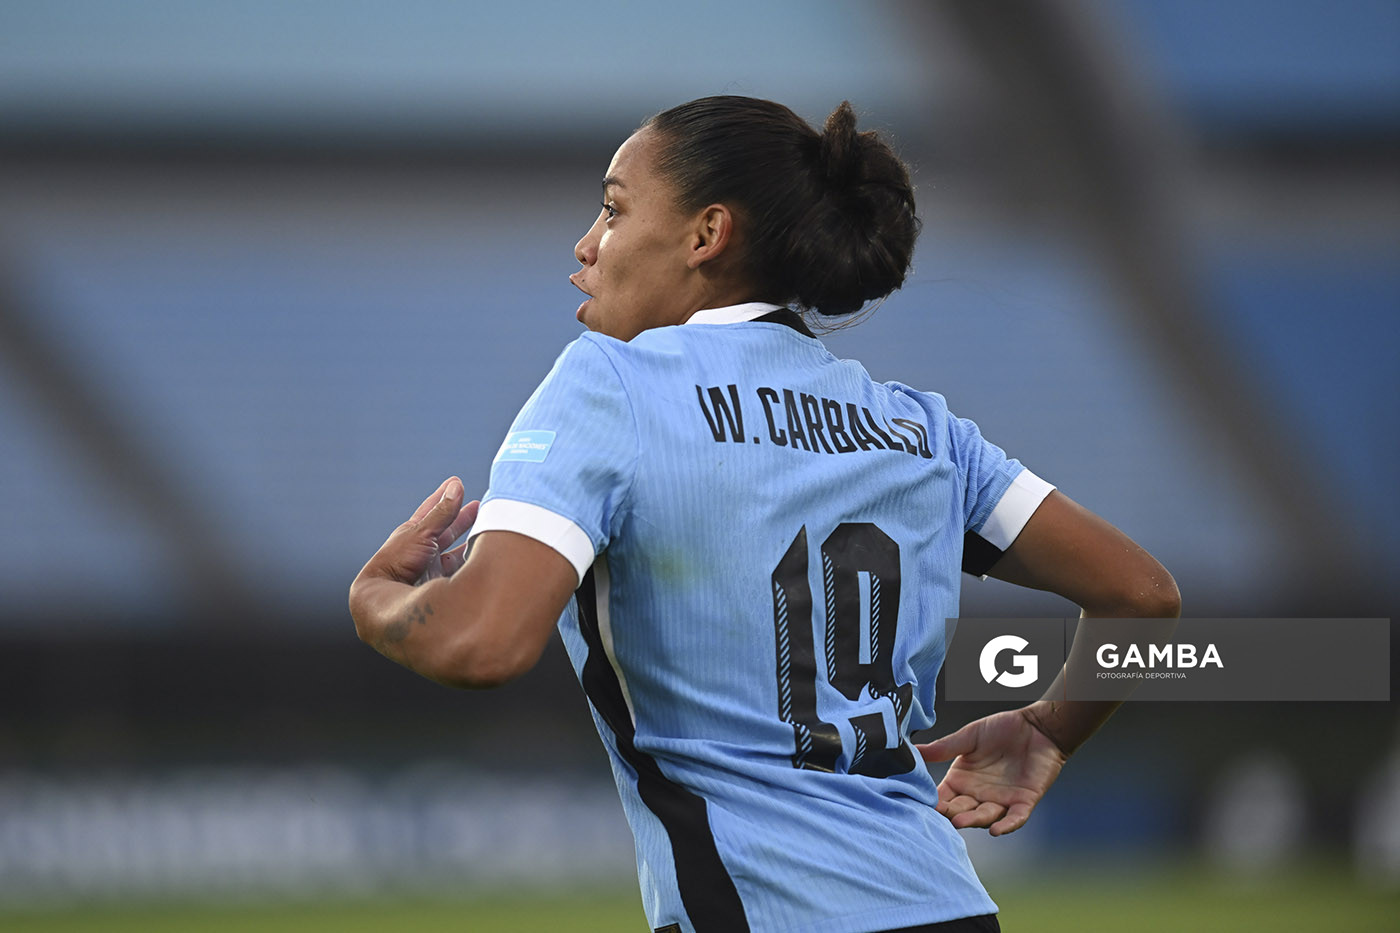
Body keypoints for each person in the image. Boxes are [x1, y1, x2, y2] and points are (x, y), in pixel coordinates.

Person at [349, 96, 1180, 933]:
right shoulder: (919, 429)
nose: (586, 243)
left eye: (612, 207)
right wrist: (1048, 730)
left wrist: (377, 595)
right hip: (951, 909)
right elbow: (1143, 599)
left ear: (707, 234)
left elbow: (479, 641)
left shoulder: (611, 382)